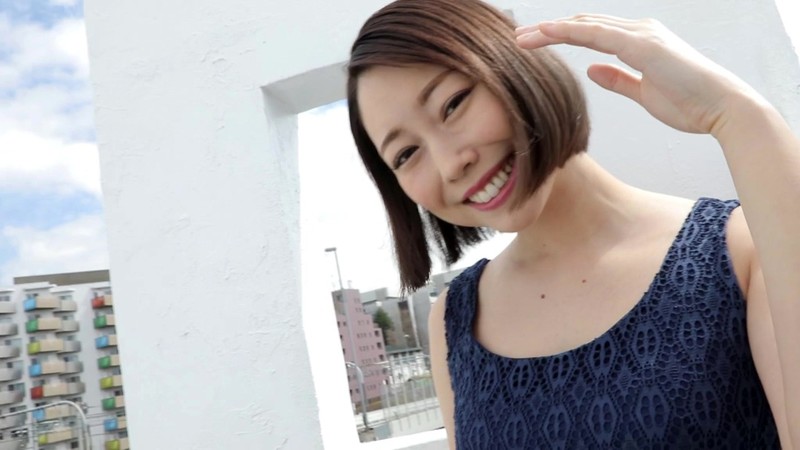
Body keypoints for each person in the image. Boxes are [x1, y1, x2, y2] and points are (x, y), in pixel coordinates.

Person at [347, 0, 799, 448]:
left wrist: (737, 115)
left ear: (514, 61)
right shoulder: (454, 320)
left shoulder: (740, 248)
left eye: (453, 104)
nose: (450, 164)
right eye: (406, 154)